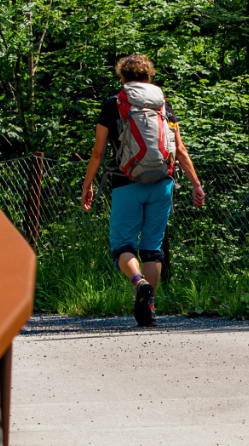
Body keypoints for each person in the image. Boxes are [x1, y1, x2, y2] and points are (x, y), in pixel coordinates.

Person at [80, 53, 207, 327]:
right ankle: (148, 309)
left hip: (127, 183)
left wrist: (88, 183)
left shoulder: (113, 104)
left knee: (123, 245)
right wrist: (196, 184)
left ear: (123, 78)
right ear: (149, 77)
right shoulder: (163, 105)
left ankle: (138, 282)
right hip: (163, 182)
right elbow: (180, 150)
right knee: (152, 247)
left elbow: (98, 152)